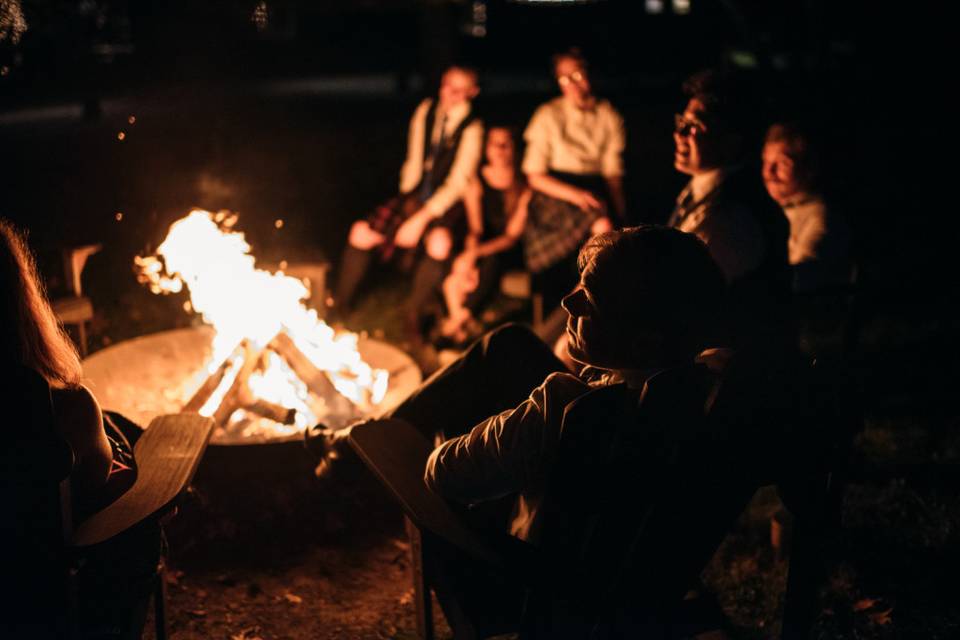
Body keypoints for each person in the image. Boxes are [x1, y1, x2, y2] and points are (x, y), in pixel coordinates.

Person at [0, 219, 159, 639]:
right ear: (18, 295)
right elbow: (91, 480)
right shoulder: (59, 405)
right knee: (138, 506)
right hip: (41, 579)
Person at [332, 65, 484, 321]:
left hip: (444, 204)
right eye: (448, 85)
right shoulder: (426, 111)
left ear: (472, 92)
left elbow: (458, 183)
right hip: (414, 196)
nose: (451, 94)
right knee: (360, 232)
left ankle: (412, 314)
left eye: (460, 90)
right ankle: (339, 306)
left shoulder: (472, 128)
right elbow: (414, 160)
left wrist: (420, 219)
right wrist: (406, 203)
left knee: (439, 243)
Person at [667, 69, 790, 345]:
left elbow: (678, 299)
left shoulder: (730, 217)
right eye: (680, 122)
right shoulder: (699, 192)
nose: (679, 134)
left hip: (724, 373)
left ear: (731, 141)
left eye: (693, 127)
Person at [521, 49, 624, 315]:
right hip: (555, 194)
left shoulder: (607, 114)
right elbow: (535, 175)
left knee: (607, 227)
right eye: (564, 79)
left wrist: (621, 211)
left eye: (577, 75)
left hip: (592, 191)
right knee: (599, 223)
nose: (573, 84)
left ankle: (589, 303)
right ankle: (575, 301)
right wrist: (575, 195)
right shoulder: (548, 115)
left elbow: (612, 172)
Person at [439, 126, 531, 345]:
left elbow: (511, 237)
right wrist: (471, 253)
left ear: (514, 148)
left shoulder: (523, 184)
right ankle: (461, 323)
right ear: (486, 148)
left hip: (510, 249)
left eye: (505, 143)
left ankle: (456, 323)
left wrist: (476, 253)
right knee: (458, 265)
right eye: (494, 143)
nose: (499, 149)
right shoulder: (477, 180)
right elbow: (476, 227)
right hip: (484, 241)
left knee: (492, 262)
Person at [762, 121, 853, 293]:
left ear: (809, 167)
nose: (769, 172)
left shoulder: (822, 219)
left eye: (782, 163)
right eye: (765, 161)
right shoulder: (771, 210)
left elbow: (801, 283)